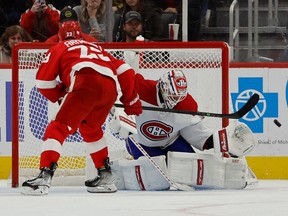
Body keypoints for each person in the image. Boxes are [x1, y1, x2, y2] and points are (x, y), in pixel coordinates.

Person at [21, 19, 142, 195]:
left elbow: (43, 83)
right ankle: (106, 177)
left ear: (60, 37)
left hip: (84, 80)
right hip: (109, 87)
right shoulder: (97, 48)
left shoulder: (59, 47)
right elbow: (125, 70)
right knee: (91, 129)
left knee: (58, 127)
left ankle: (44, 176)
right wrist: (130, 100)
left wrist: (61, 94)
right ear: (80, 35)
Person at [110, 70, 257, 190]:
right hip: (140, 142)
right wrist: (117, 116)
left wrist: (220, 141)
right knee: (155, 181)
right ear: (162, 87)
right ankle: (119, 167)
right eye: (171, 95)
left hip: (172, 141)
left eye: (178, 97)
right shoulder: (140, 88)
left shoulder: (187, 105)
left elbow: (195, 134)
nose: (174, 101)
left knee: (192, 172)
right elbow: (114, 93)